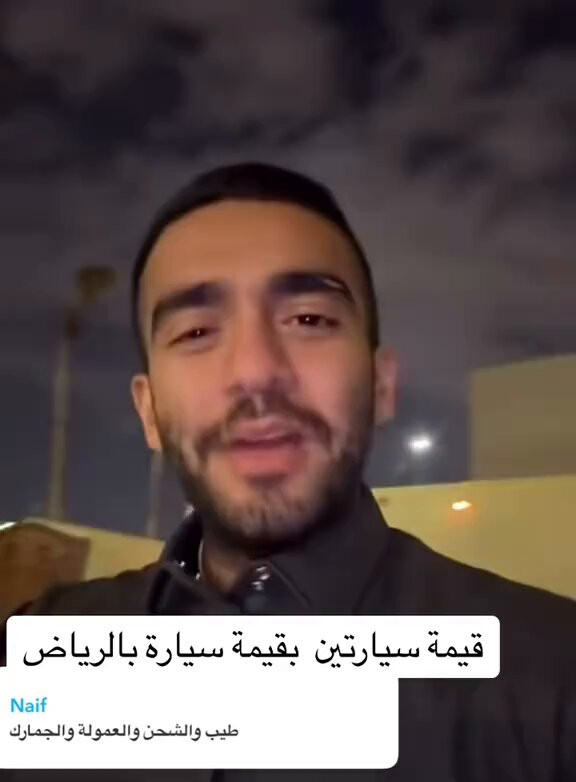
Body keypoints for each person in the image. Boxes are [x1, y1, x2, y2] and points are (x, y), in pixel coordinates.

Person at [2, 163, 575, 781]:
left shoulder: (553, 677)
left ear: (381, 386)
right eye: (196, 331)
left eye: (309, 320)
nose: (255, 371)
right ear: (149, 412)